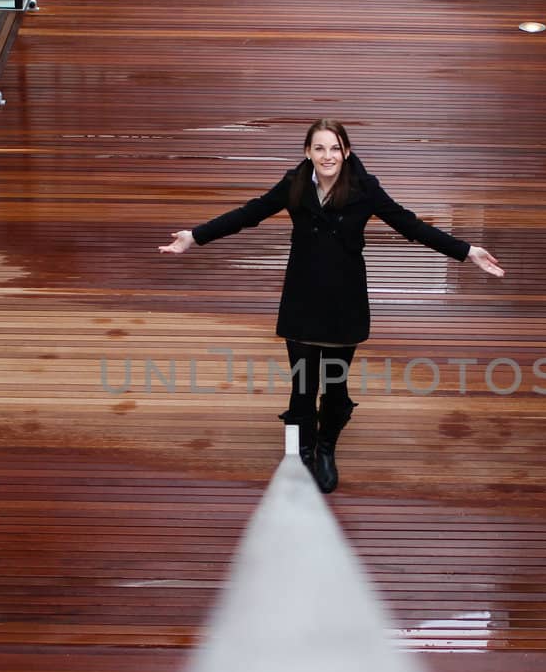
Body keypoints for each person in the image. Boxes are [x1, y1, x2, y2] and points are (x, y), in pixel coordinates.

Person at [159, 119, 504, 494]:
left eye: (335, 148)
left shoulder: (364, 189)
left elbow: (410, 226)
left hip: (344, 303)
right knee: (303, 386)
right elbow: (249, 214)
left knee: (335, 385)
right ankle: (301, 452)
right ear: (308, 152)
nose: (328, 156)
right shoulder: (294, 184)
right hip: (303, 299)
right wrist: (194, 237)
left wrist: (467, 251)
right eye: (320, 148)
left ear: (347, 152)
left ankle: (325, 449)